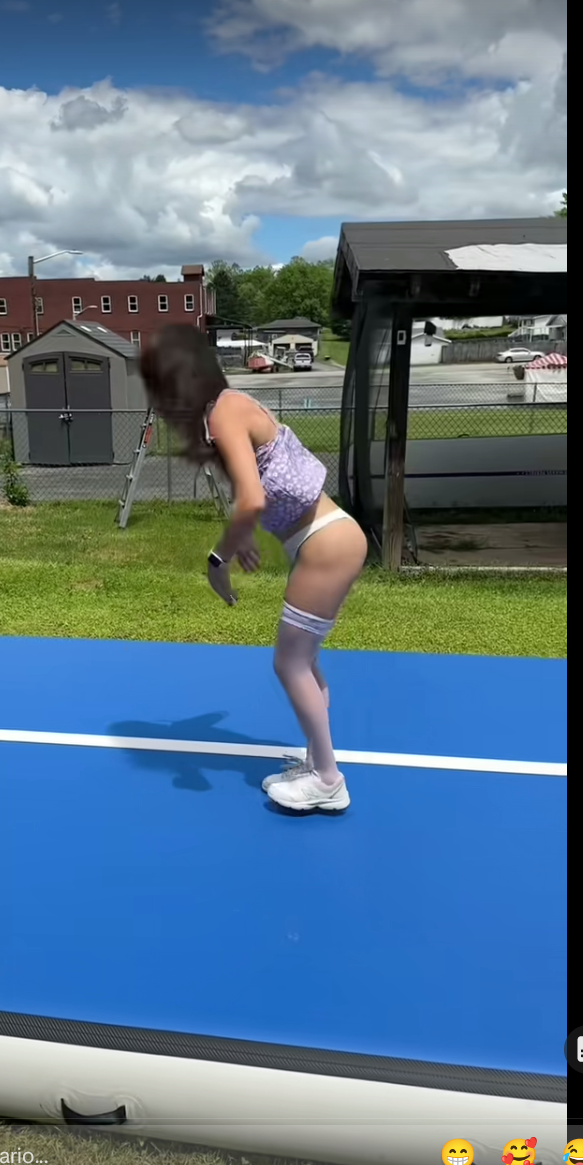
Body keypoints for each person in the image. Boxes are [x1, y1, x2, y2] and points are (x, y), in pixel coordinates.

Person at [139, 325, 368, 814]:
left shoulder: (224, 411)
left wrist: (218, 559)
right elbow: (261, 496)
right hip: (327, 540)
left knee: (290, 663)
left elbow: (252, 499)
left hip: (328, 542)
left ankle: (328, 779)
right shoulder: (227, 409)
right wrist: (244, 535)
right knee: (304, 661)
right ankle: (317, 764)